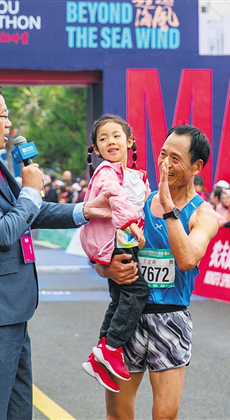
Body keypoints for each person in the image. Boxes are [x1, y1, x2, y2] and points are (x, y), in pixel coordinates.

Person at [0, 80, 114, 419]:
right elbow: (2, 231)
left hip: (11, 310)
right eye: (3, 116)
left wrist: (86, 210)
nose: (9, 124)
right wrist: (30, 191)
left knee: (18, 413)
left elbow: (28, 212)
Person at [95, 125, 219, 420]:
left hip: (171, 319)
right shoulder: (137, 201)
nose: (165, 164)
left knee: (165, 416)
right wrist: (106, 269)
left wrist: (169, 207)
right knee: (117, 415)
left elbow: (187, 259)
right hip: (127, 317)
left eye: (175, 158)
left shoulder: (204, 214)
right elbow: (103, 250)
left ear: (197, 166)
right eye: (163, 154)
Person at [79, 114, 150, 393]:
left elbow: (146, 203)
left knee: (119, 298)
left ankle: (98, 358)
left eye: (116, 136)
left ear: (130, 141)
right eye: (103, 138)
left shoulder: (136, 175)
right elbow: (116, 198)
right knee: (137, 292)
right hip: (117, 242)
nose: (111, 142)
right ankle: (110, 348)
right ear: (95, 148)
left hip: (124, 241)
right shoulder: (107, 173)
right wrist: (132, 225)